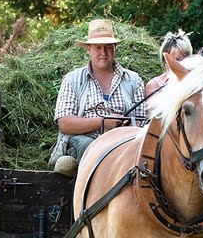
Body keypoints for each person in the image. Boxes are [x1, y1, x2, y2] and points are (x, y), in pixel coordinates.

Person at [51, 19, 147, 177]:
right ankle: (94, 192)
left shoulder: (133, 80)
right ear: (88, 49)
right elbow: (64, 124)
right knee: (89, 146)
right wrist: (103, 122)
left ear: (115, 48)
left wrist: (124, 125)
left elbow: (142, 123)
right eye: (98, 47)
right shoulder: (73, 80)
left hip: (123, 143)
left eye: (108, 47)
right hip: (84, 142)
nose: (103, 52)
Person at [144, 30, 193, 98]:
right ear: (164, 60)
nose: (175, 64)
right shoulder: (154, 85)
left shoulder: (194, 83)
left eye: (181, 60)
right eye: (170, 60)